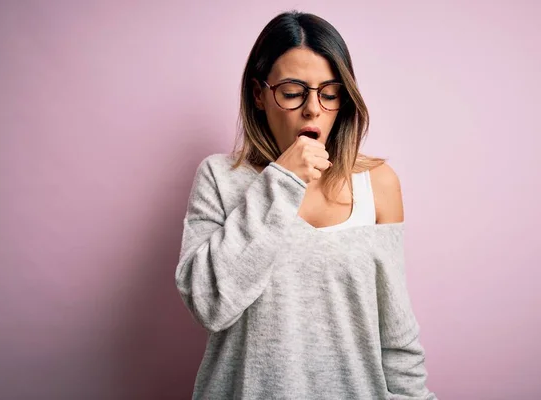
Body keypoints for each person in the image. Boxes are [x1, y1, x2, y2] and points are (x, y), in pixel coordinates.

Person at [175, 10, 438, 400]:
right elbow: (210, 303)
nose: (313, 109)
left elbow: (396, 339)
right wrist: (282, 180)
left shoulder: (378, 184)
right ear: (259, 95)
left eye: (329, 93)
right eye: (293, 92)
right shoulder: (220, 178)